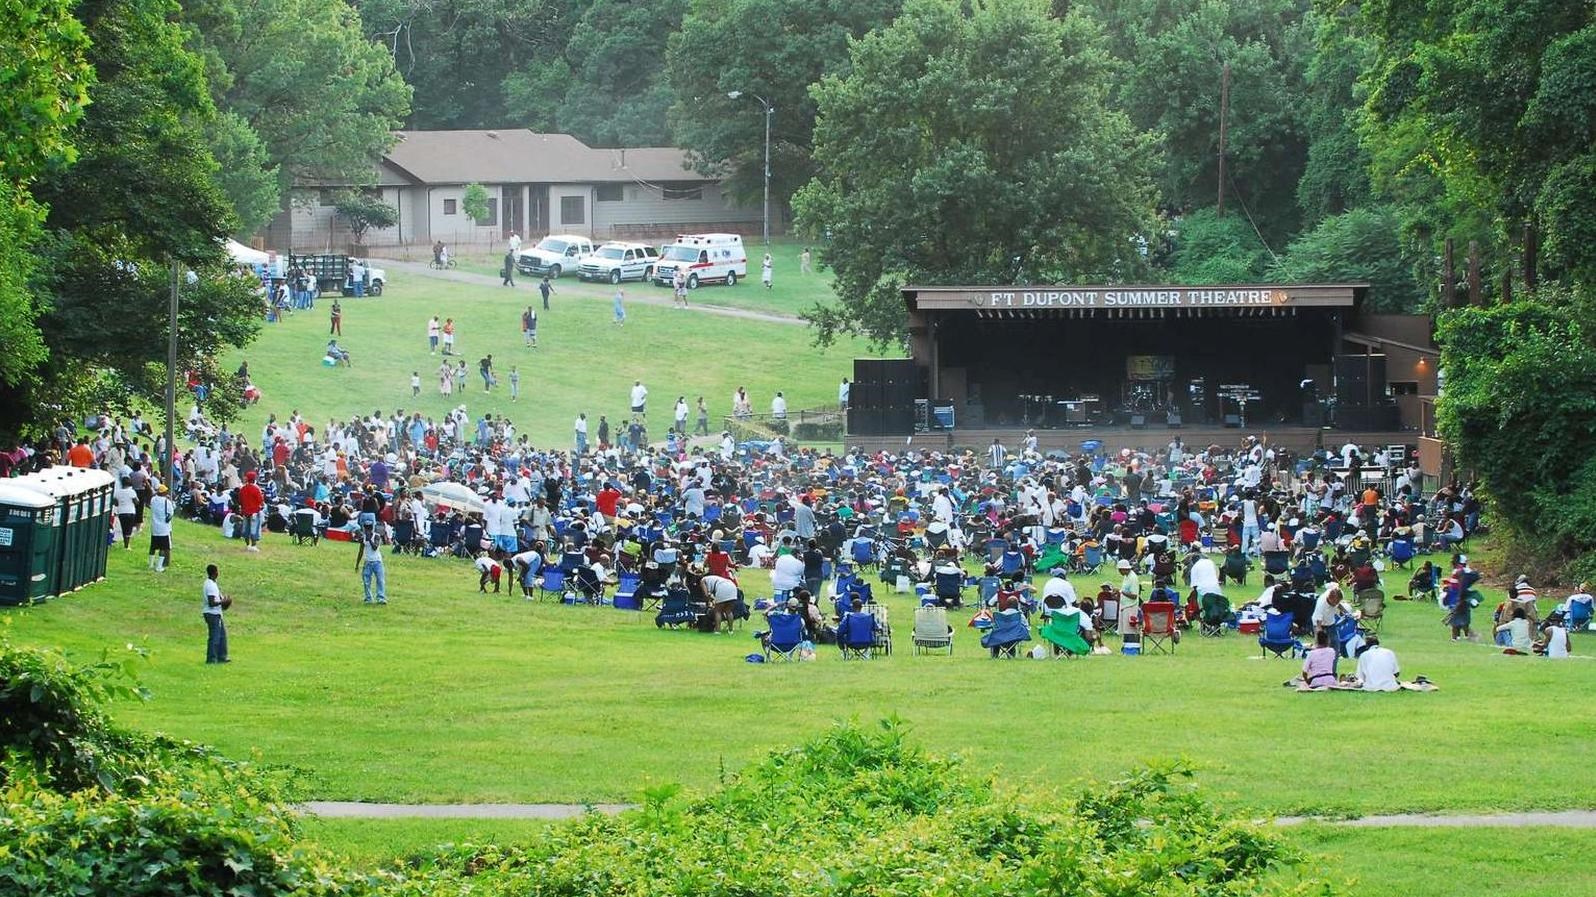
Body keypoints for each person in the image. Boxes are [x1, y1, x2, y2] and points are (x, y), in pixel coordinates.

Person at [202, 563, 229, 664]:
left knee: (222, 635)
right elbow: (212, 602)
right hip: (212, 614)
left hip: (216, 614)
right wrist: (223, 602)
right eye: (217, 571)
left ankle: (222, 657)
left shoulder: (213, 583)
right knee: (215, 636)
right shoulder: (210, 585)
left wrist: (224, 601)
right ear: (214, 573)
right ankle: (211, 659)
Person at [355, 521, 387, 604]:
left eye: (369, 528)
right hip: (367, 562)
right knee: (366, 581)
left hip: (377, 561)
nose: (367, 530)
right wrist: (357, 564)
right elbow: (360, 551)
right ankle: (368, 598)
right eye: (366, 528)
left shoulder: (376, 536)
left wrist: (369, 540)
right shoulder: (363, 538)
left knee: (380, 580)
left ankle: (381, 598)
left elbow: (375, 548)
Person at [147, 483, 175, 572]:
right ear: (164, 492)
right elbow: (171, 513)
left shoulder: (153, 500)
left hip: (154, 527)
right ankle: (159, 566)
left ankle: (151, 564)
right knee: (163, 548)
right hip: (164, 528)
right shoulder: (167, 502)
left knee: (153, 547)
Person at [238, 471, 264, 552]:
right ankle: (253, 545)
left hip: (245, 511)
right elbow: (260, 500)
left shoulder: (243, 488)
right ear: (254, 479)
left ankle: (247, 545)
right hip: (254, 511)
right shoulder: (256, 489)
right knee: (254, 529)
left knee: (246, 529)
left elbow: (240, 500)